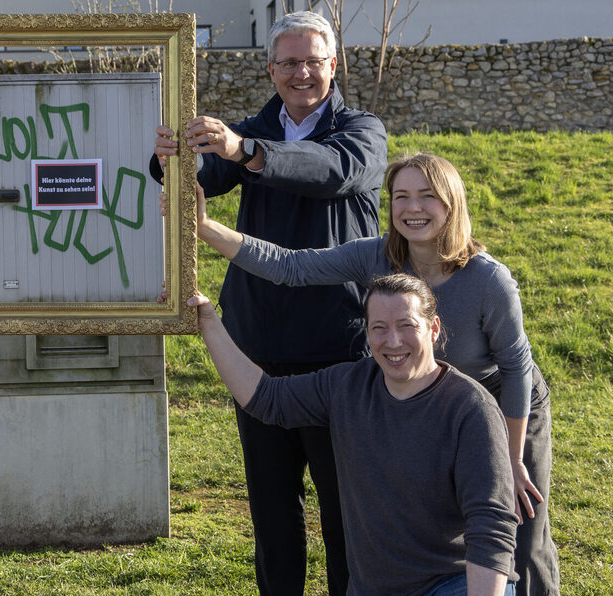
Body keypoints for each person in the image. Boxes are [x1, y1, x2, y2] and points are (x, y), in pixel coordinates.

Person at [189, 152, 561, 595]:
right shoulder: (377, 256)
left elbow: (518, 367)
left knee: (519, 524)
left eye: (427, 196)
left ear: (451, 202)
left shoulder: (488, 280)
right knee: (440, 520)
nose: (413, 208)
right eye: (400, 196)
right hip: (426, 391)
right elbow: (290, 266)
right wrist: (204, 226)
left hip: (503, 396)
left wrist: (513, 458)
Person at [151, 10, 388, 595]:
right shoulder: (248, 130)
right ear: (270, 68)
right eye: (289, 62)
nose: (302, 72)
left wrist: (249, 151)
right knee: (272, 518)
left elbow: (331, 172)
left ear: (335, 65)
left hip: (341, 353)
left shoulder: (362, 131)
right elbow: (200, 172)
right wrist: (169, 159)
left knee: (345, 518)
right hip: (257, 352)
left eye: (313, 60)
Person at [190, 274, 519, 595]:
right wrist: (208, 321)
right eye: (379, 328)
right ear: (367, 333)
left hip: (454, 584)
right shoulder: (348, 387)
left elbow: (490, 527)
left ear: (433, 330)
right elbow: (267, 398)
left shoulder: (471, 409)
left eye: (407, 326)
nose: (393, 341)